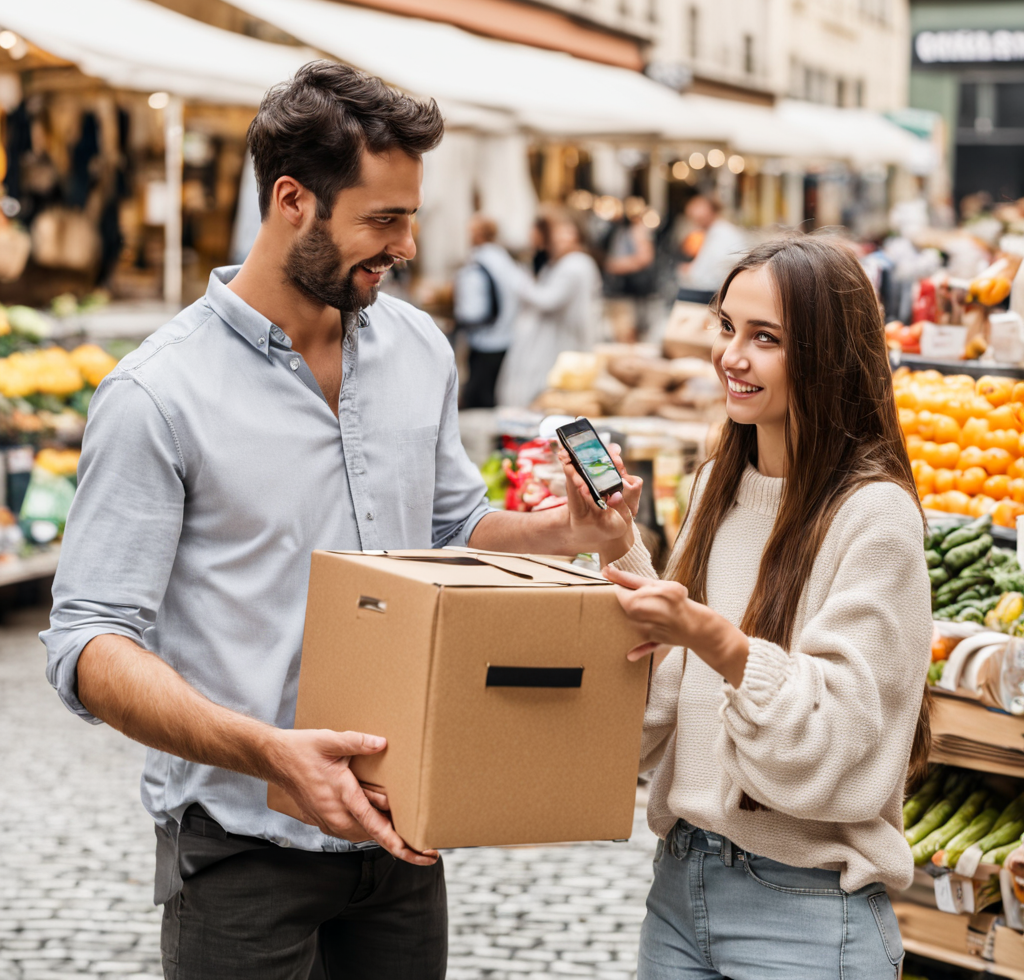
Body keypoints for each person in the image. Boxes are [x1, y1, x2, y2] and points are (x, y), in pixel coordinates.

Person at [40, 61, 636, 980]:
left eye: (411, 217)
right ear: (293, 201)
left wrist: (567, 535)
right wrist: (270, 752)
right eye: (383, 220)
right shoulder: (157, 393)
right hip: (240, 856)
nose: (406, 246)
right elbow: (89, 641)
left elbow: (453, 529)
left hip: (403, 841)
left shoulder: (418, 348)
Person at [563, 236, 932, 978]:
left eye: (765, 338)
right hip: (679, 888)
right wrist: (619, 550)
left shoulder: (876, 517)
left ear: (829, 356)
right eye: (727, 327)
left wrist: (717, 641)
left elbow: (834, 747)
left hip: (805, 914)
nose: (731, 356)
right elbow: (662, 705)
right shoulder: (716, 489)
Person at [498, 211, 602, 408]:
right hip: (557, 337)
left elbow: (548, 300)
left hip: (563, 338)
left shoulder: (575, 264)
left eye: (566, 232)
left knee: (554, 390)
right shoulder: (563, 263)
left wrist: (520, 283)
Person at [453, 214, 524, 409]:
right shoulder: (505, 259)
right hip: (505, 335)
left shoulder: (477, 263)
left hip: (484, 339)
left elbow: (471, 311)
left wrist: (458, 319)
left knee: (477, 398)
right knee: (492, 392)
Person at [676, 193, 746, 304]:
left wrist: (690, 271)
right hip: (719, 290)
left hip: (718, 293)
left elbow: (712, 272)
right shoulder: (716, 231)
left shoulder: (722, 233)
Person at [603, 201, 657, 341]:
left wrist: (615, 266)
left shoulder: (637, 230)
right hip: (619, 292)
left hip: (631, 294)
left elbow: (645, 258)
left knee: (629, 334)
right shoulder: (618, 229)